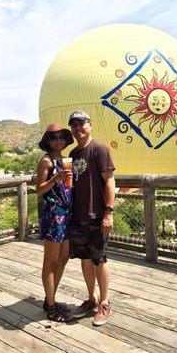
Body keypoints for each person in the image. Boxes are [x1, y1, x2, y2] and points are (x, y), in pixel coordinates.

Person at [68, 110, 115, 326]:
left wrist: (108, 212)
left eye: (81, 124)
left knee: (100, 259)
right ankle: (91, 299)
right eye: (73, 125)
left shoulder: (99, 149)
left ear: (90, 125)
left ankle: (104, 302)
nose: (77, 129)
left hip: (97, 215)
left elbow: (109, 181)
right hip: (78, 216)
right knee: (85, 260)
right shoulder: (74, 154)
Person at [36, 123, 74, 322]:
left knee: (64, 257)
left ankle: (49, 298)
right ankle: (51, 308)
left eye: (61, 137)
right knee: (50, 262)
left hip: (67, 213)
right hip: (53, 213)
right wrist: (55, 179)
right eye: (53, 137)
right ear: (47, 141)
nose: (58, 140)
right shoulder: (46, 161)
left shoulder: (66, 159)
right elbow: (38, 189)